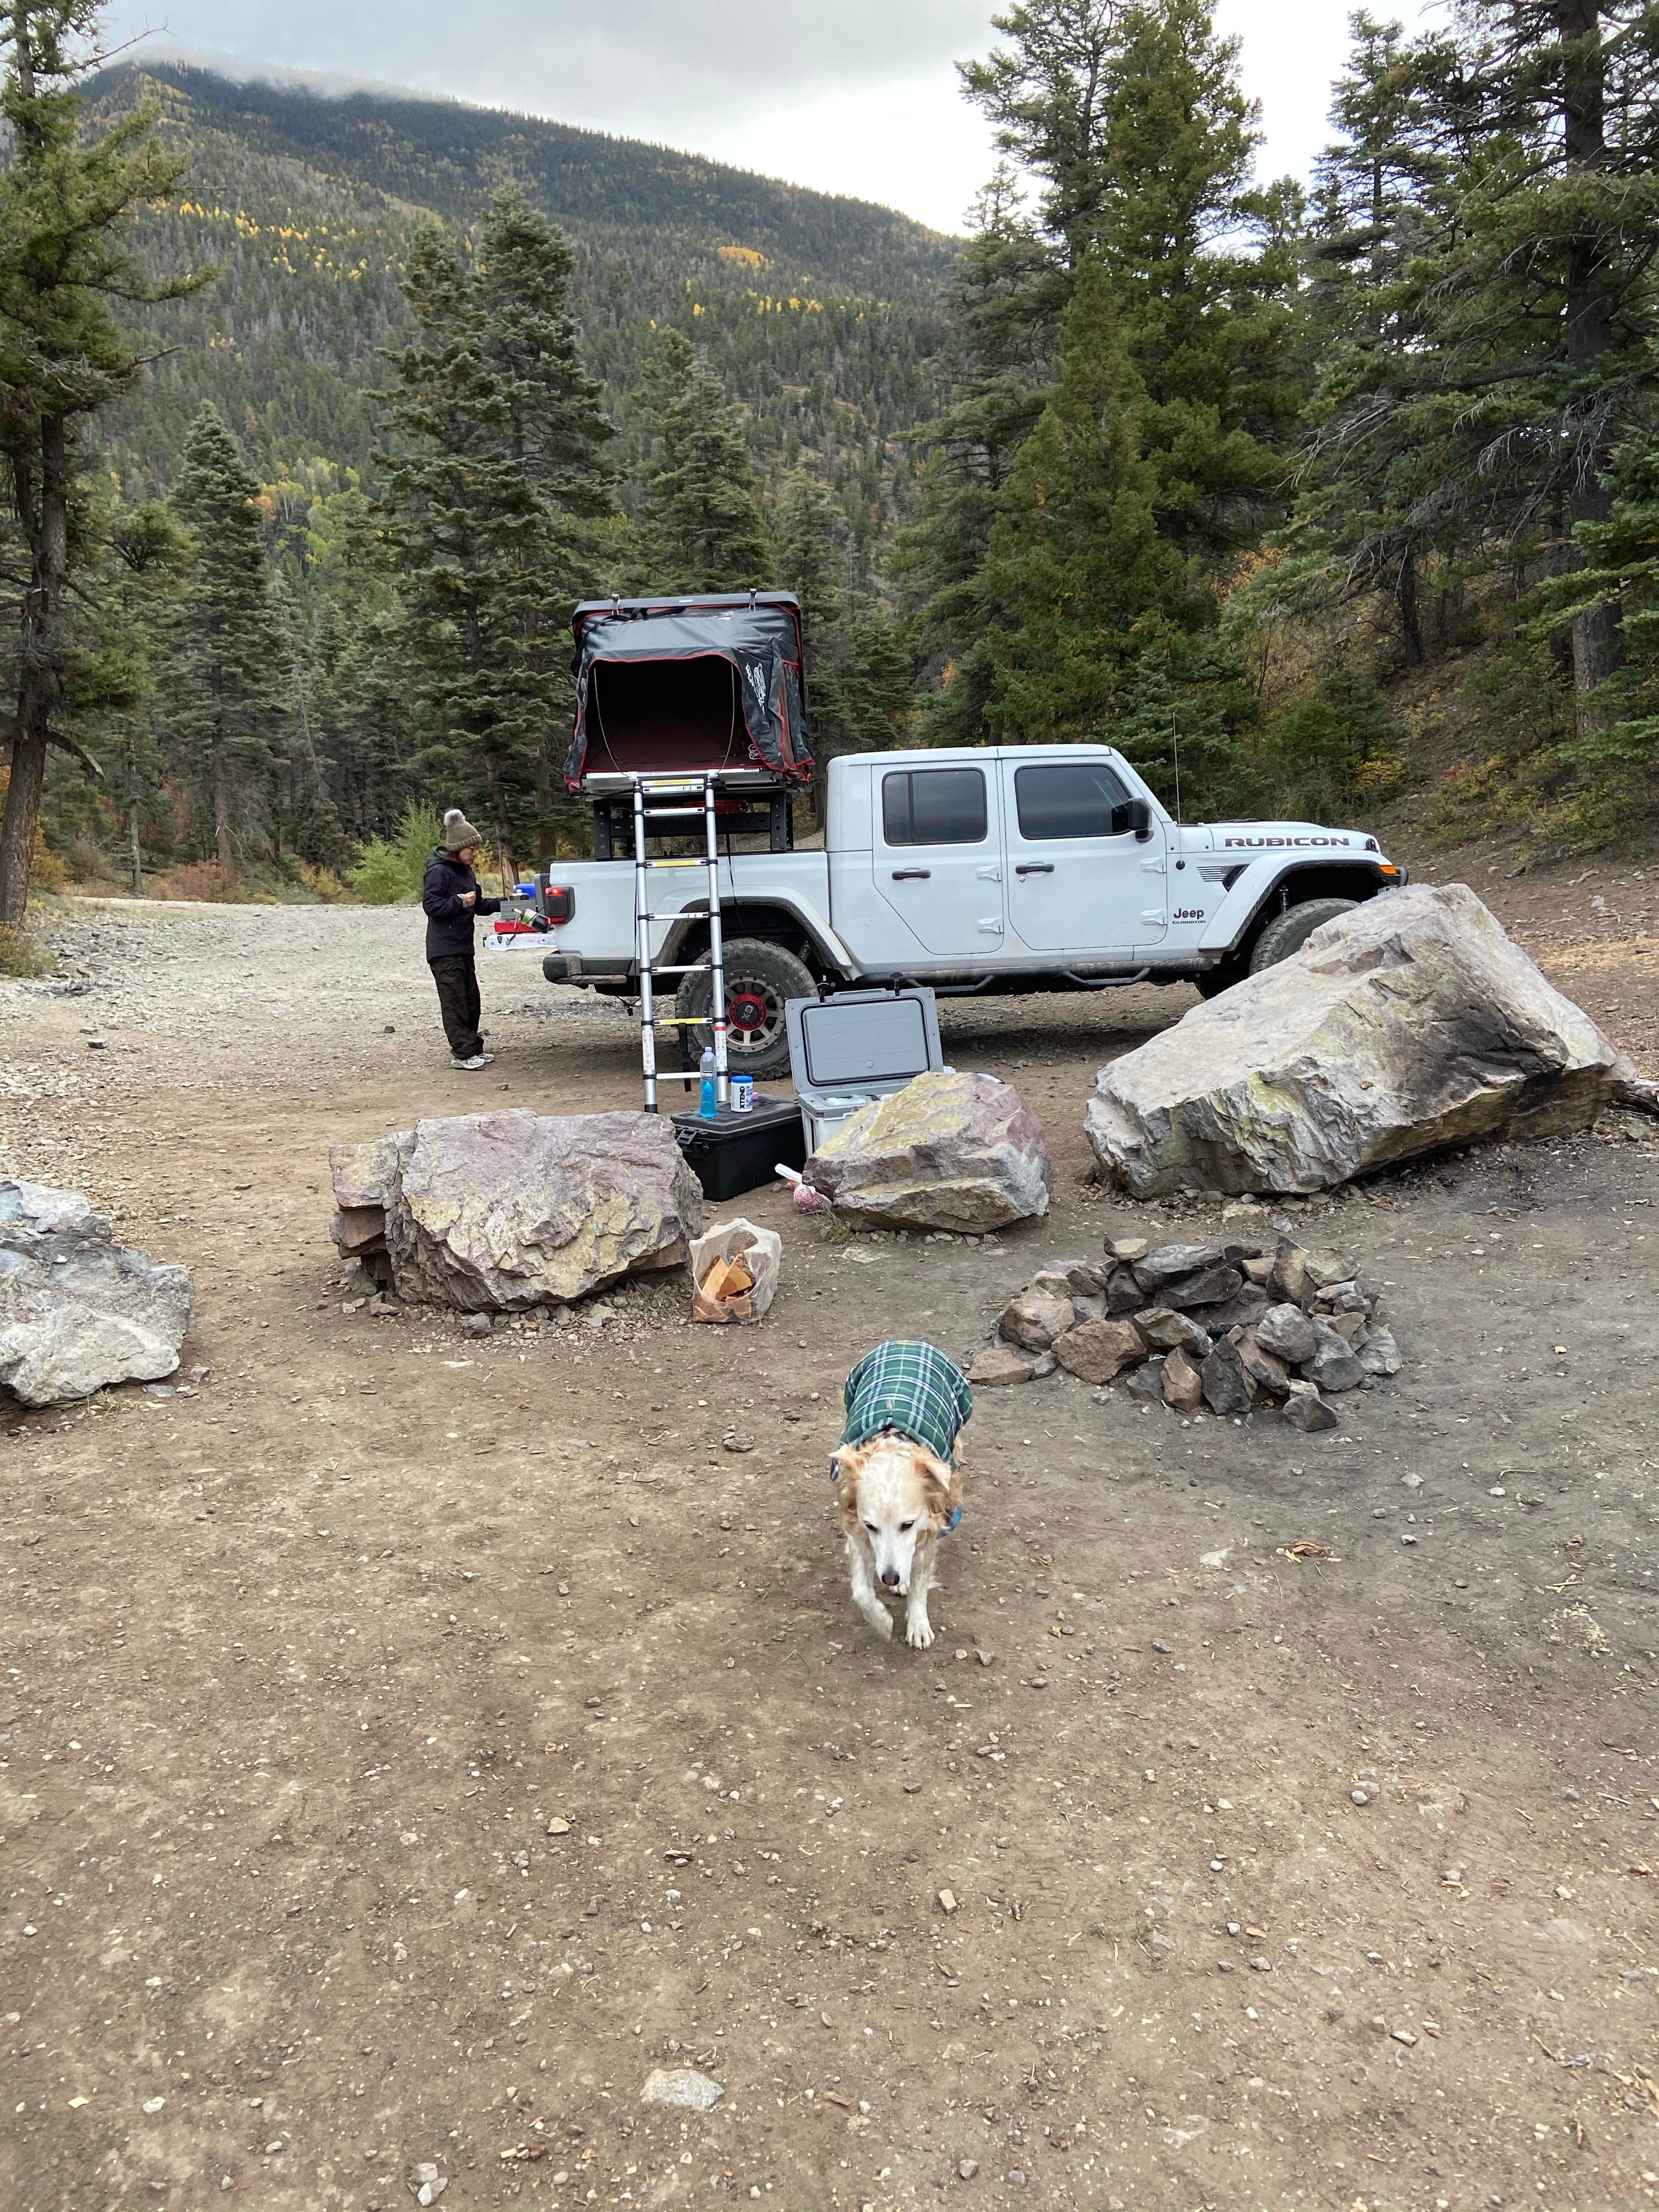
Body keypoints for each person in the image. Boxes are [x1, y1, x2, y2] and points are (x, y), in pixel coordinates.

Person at [423, 809, 502, 1070]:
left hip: (463, 948)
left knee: (471, 999)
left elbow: (477, 904)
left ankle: (473, 1049)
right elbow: (431, 906)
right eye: (472, 848)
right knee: (455, 1001)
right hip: (443, 949)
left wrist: (504, 903)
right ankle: (463, 1054)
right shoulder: (439, 872)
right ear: (458, 848)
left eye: (476, 847)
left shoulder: (466, 872)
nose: (476, 853)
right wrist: (458, 901)